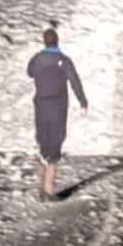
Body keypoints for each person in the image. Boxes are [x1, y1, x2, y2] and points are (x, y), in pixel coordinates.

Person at [26, 28, 88, 199]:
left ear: (44, 41)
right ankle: (48, 191)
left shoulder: (37, 59)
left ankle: (41, 189)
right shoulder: (64, 60)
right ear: (57, 41)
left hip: (40, 105)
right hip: (58, 107)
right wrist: (83, 102)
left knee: (43, 143)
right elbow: (75, 81)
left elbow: (30, 72)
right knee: (55, 144)